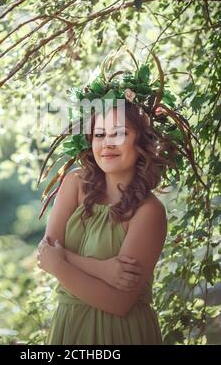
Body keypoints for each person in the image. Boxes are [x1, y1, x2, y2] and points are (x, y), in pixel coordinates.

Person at [37, 101, 169, 345]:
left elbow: (118, 303)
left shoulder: (149, 211)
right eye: (100, 134)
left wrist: (61, 264)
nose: (107, 143)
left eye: (119, 133)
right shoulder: (74, 183)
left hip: (121, 332)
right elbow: (45, 255)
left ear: (141, 142)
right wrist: (103, 270)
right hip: (69, 327)